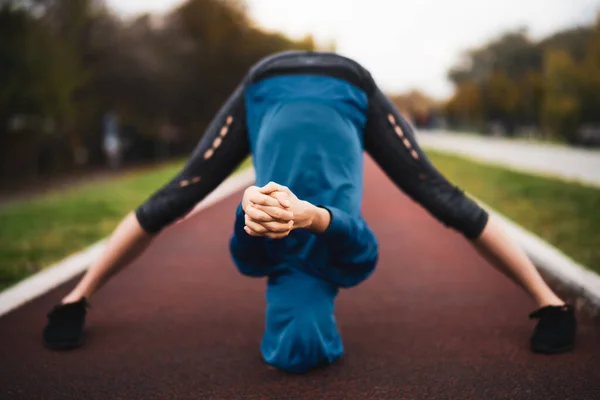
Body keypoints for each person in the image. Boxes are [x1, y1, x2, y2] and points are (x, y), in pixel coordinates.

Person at [43, 51, 577, 373]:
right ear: (329, 307)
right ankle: (550, 304)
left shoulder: (260, 257)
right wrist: (309, 217)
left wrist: (252, 206)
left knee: (179, 193)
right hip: (348, 84)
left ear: (274, 302)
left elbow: (244, 234)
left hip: (266, 82)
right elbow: (353, 233)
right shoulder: (347, 259)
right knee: (439, 196)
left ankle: (76, 298)